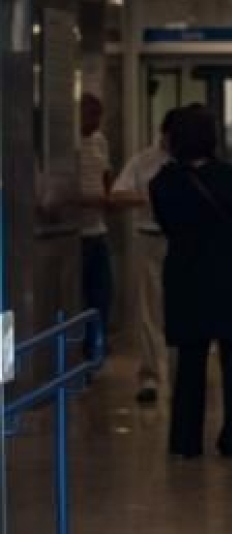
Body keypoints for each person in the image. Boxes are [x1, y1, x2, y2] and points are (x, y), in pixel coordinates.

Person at [150, 105, 232, 459]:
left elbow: (167, 227)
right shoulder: (227, 176)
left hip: (186, 278)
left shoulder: (162, 183)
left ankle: (185, 440)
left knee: (189, 362)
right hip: (228, 276)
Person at [110, 108, 181, 404]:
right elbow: (117, 193)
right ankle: (150, 375)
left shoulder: (186, 161)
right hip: (149, 238)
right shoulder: (143, 161)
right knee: (149, 312)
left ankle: (180, 374)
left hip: (179, 241)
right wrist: (149, 199)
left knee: (179, 311)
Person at [77, 92, 113, 360]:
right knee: (79, 298)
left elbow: (105, 175)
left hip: (98, 230)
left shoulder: (100, 142)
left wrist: (108, 200)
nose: (96, 122)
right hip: (74, 234)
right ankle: (78, 353)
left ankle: (96, 350)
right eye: (91, 115)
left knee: (101, 295)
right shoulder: (67, 144)